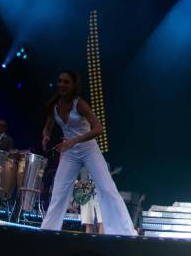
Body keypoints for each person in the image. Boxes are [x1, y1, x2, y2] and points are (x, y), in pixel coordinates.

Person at [39, 70, 135, 236]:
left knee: (107, 188)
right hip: (70, 152)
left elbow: (98, 129)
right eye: (60, 81)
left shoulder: (79, 104)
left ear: (73, 85)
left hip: (88, 150)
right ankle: (48, 231)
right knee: (59, 192)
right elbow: (47, 127)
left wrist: (74, 141)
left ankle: (125, 232)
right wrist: (46, 136)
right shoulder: (54, 106)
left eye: (66, 82)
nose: (62, 84)